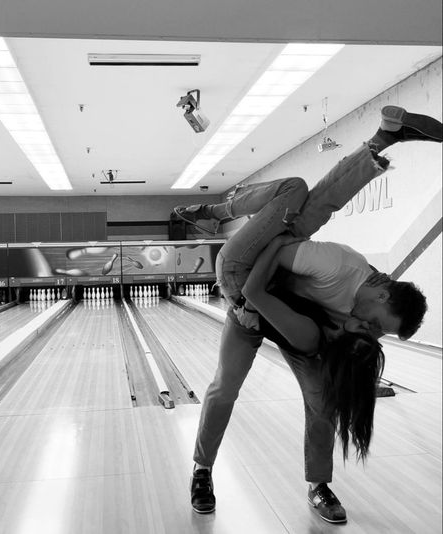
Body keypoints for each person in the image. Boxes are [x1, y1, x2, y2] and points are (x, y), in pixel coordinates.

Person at [172, 105, 442, 522]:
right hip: (248, 285)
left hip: (291, 317)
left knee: (322, 402)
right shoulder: (337, 265)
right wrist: (249, 301)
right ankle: (202, 470)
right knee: (224, 388)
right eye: (377, 327)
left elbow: (351, 340)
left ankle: (319, 484)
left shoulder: (366, 307)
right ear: (383, 297)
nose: (371, 334)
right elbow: (276, 251)